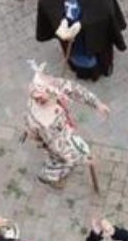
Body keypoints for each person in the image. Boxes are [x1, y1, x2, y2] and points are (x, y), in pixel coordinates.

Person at [36, 0, 127, 80]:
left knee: (98, 54)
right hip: (71, 37)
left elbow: (104, 12)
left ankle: (100, 69)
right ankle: (81, 69)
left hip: (94, 34)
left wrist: (81, 24)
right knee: (76, 54)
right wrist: (61, 23)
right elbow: (50, 6)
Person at [23, 60, 109, 188]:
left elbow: (73, 89)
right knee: (60, 159)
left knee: (62, 152)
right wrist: (82, 159)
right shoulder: (46, 121)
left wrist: (96, 103)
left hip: (58, 128)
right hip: (48, 134)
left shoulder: (50, 85)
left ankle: (54, 167)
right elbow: (60, 149)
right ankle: (49, 176)